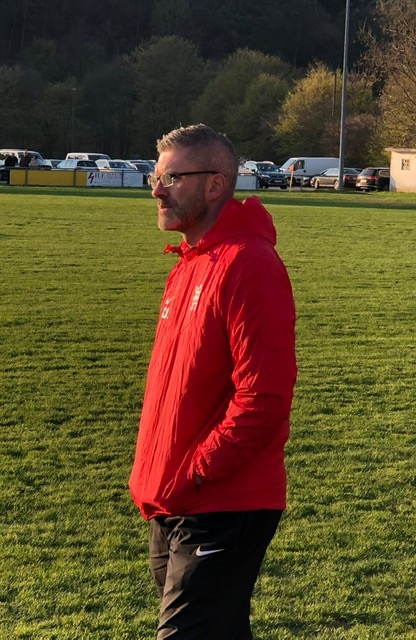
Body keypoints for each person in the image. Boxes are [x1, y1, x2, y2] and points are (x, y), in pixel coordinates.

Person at [129, 124, 297, 640]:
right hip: (174, 500)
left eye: (173, 178)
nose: (157, 191)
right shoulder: (187, 265)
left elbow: (262, 399)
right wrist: (161, 478)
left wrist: (196, 473)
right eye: (156, 177)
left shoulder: (250, 264)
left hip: (222, 502)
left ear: (215, 185)